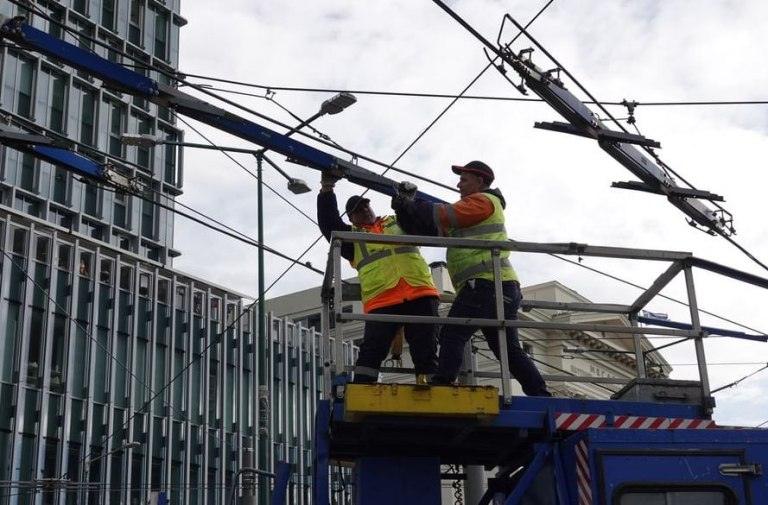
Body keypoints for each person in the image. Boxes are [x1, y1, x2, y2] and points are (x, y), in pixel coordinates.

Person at [393, 161, 550, 396]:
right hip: (499, 286)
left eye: (464, 179)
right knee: (507, 349)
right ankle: (540, 394)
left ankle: (443, 383)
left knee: (453, 333)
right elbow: (428, 229)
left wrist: (412, 202)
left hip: (485, 284)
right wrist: (404, 210)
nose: (459, 184)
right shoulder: (472, 213)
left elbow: (442, 213)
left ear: (480, 181)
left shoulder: (483, 201)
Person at [317, 171, 440, 383]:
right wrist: (327, 189)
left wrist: (406, 200)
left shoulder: (396, 222)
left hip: (418, 291)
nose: (365, 210)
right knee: (372, 349)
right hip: (383, 299)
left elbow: (419, 220)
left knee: (426, 347)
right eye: (358, 210)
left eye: (366, 205)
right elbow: (329, 224)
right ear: (351, 218)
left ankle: (433, 390)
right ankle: (362, 387)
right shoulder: (351, 237)